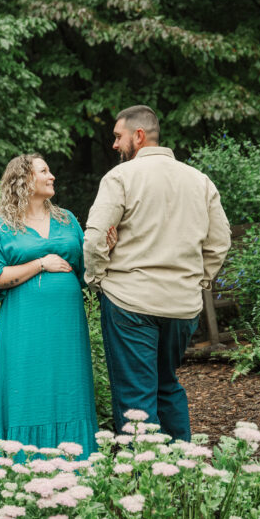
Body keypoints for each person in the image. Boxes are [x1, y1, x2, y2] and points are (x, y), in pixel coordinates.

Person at [83, 105, 231, 442]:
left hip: (130, 303)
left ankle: (146, 481)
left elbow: (94, 238)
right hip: (182, 305)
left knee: (135, 395)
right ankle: (182, 470)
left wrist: (97, 279)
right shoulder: (199, 180)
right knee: (167, 384)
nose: (114, 144)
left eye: (118, 136)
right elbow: (220, 240)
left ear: (138, 136)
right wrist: (199, 281)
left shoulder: (120, 178)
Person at [0, 154, 106, 457]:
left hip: (66, 325)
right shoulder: (3, 226)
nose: (52, 176)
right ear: (24, 179)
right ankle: (22, 465)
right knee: (27, 391)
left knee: (69, 390)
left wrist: (106, 247)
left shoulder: (67, 220)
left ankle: (76, 463)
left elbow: (86, 268)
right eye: (44, 171)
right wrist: (40, 263)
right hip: (25, 325)